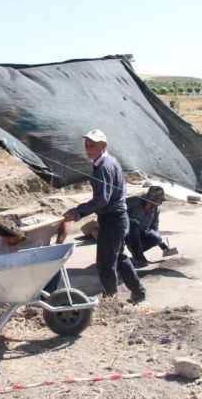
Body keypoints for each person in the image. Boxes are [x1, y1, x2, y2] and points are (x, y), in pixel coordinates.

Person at [63, 129, 146, 304]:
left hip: (112, 220)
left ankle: (111, 302)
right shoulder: (109, 162)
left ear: (103, 146)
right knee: (119, 258)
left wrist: (78, 212)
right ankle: (138, 292)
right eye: (86, 144)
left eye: (92, 145)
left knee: (105, 265)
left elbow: (102, 199)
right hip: (117, 218)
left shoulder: (104, 167)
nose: (88, 148)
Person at [125, 186, 178, 268]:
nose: (157, 204)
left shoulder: (156, 210)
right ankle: (139, 258)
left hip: (140, 234)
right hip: (126, 233)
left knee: (156, 238)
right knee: (134, 224)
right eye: (156, 202)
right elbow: (119, 212)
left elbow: (154, 227)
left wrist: (161, 244)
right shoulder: (134, 201)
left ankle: (137, 253)